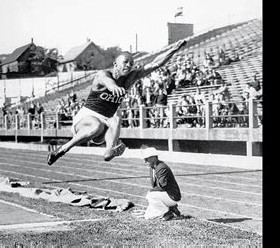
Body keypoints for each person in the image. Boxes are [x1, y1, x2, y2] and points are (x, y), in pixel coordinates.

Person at [47, 39, 187, 165]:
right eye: (125, 62)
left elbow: (155, 64)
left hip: (105, 125)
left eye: (131, 63)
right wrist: (114, 88)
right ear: (115, 64)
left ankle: (110, 150)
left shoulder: (130, 78)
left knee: (116, 117)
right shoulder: (102, 74)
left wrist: (173, 50)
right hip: (85, 119)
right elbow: (108, 83)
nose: (129, 65)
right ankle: (62, 149)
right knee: (97, 124)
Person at [141, 147, 181, 220]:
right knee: (147, 216)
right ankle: (171, 208)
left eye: (146, 159)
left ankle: (167, 212)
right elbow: (156, 185)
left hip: (172, 196)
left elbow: (163, 186)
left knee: (150, 196)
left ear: (153, 158)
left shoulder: (161, 168)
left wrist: (151, 191)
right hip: (166, 194)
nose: (144, 161)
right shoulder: (152, 167)